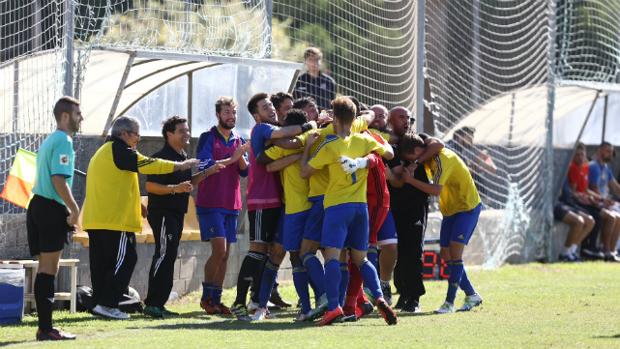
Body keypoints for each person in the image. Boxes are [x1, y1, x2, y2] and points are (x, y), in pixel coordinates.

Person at [82, 116, 198, 320]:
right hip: (113, 221)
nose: (139, 138)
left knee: (104, 265)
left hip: (99, 219)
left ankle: (101, 304)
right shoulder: (118, 149)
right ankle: (108, 304)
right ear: (123, 134)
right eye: (136, 134)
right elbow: (146, 165)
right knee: (126, 259)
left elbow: (115, 183)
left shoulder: (106, 152)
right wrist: (179, 166)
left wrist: (137, 204)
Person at [300, 96, 397, 326]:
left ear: (334, 118)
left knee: (332, 258)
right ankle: (380, 297)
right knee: (361, 259)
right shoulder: (363, 140)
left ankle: (334, 307)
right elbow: (390, 154)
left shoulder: (330, 146)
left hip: (336, 207)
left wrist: (306, 149)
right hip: (360, 208)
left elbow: (305, 172)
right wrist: (367, 159)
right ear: (355, 118)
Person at [230, 93, 315, 320]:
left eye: (271, 105)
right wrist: (309, 125)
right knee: (257, 250)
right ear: (256, 115)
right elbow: (281, 138)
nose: (271, 109)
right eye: (265, 106)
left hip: (278, 201)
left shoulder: (273, 132)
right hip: (261, 200)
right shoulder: (261, 129)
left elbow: (287, 142)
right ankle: (239, 303)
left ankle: (257, 303)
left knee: (269, 253)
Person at [142, 116, 224, 318]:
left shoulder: (183, 157)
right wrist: (174, 188)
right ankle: (153, 304)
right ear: (169, 134)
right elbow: (150, 186)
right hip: (162, 214)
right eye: (181, 131)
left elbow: (188, 184)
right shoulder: (161, 157)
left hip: (177, 213)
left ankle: (159, 304)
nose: (186, 134)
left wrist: (207, 173)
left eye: (187, 130)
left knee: (169, 255)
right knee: (164, 255)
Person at [398, 133, 483, 314]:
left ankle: (449, 303)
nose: (413, 162)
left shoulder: (444, 160)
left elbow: (436, 190)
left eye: (412, 158)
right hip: (451, 211)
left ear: (419, 151)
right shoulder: (428, 156)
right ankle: (472, 295)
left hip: (467, 208)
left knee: (455, 252)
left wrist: (410, 179)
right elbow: (434, 144)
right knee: (446, 255)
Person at [26, 96, 82, 341]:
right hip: (50, 208)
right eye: (79, 114)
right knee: (49, 270)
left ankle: (44, 326)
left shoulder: (50, 139)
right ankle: (46, 329)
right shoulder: (63, 140)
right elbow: (59, 179)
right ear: (66, 116)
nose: (82, 118)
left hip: (37, 206)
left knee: (45, 270)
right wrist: (74, 209)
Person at [259, 109, 315, 321]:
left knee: (293, 256)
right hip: (314, 206)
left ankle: (310, 306)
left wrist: (280, 145)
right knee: (318, 256)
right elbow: (269, 164)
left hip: (296, 209)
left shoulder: (293, 141)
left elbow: (264, 159)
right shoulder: (316, 137)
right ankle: (324, 303)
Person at [194, 98, 249, 316]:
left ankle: (216, 300)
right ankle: (206, 298)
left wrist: (242, 158)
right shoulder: (208, 137)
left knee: (225, 255)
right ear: (218, 114)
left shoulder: (238, 138)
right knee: (220, 249)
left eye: (233, 112)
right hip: (210, 203)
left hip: (232, 204)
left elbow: (244, 171)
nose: (231, 116)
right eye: (227, 112)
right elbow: (208, 165)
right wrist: (234, 157)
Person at [387, 106, 443, 313]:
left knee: (413, 251)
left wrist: (416, 162)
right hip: (393, 206)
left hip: (416, 206)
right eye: (401, 117)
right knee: (397, 252)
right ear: (390, 121)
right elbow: (397, 180)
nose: (406, 121)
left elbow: (438, 144)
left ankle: (414, 298)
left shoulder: (418, 139)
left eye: (408, 118)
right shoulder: (388, 145)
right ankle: (402, 292)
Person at [588, 142, 620, 262]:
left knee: (618, 215)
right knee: (614, 217)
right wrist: (604, 201)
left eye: (611, 152)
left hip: (605, 202)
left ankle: (612, 251)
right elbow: (593, 189)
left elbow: (615, 187)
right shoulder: (594, 166)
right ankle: (606, 250)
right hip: (595, 202)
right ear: (600, 151)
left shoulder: (606, 168)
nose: (611, 154)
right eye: (608, 151)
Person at [293, 47, 337, 111]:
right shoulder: (298, 81)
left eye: (316, 59)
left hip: (325, 118)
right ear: (305, 61)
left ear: (321, 61)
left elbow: (333, 104)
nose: (314, 63)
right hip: (304, 118)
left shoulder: (329, 82)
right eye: (310, 59)